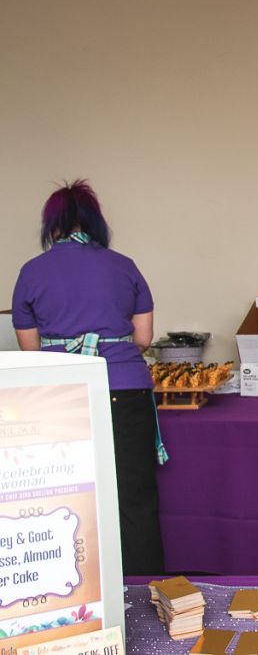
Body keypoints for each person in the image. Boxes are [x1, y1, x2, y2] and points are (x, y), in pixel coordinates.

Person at [12, 180, 166, 575]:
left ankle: (78, 594)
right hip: (123, 391)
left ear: (52, 225)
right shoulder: (124, 266)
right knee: (133, 498)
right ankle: (144, 588)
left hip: (61, 398)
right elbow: (144, 338)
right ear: (97, 222)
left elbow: (31, 352)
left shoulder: (31, 272)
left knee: (67, 497)